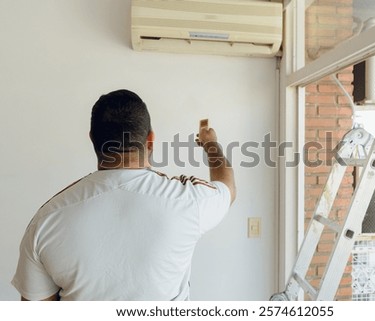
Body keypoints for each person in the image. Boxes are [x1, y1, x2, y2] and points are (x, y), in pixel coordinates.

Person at [11, 89, 236, 301]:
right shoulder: (188, 201)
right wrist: (210, 144)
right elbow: (227, 187)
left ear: (92, 139)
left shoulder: (47, 218)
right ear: (150, 140)